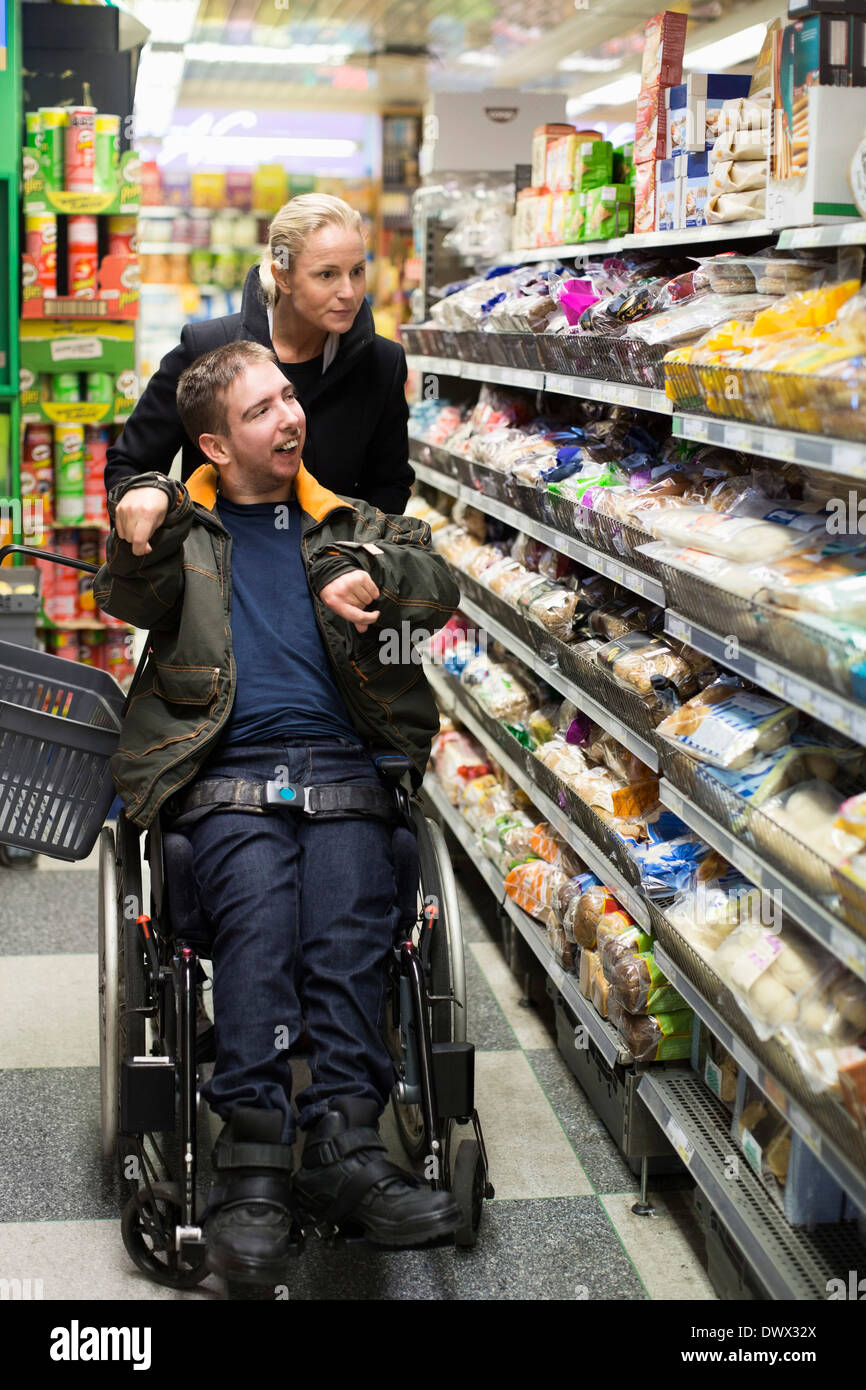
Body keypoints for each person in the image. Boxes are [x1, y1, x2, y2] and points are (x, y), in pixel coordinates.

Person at [94, 340, 461, 1284]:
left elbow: (439, 588)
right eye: (260, 411)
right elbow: (129, 592)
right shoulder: (186, 532)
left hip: (344, 767)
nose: (290, 418)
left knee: (345, 929)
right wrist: (138, 515)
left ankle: (346, 1146)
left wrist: (377, 577)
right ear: (214, 444)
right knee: (260, 921)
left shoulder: (351, 523)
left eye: (289, 399)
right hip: (223, 775)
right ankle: (251, 1162)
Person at [105, 193, 414, 514]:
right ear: (283, 276)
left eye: (357, 272)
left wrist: (353, 552)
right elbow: (129, 465)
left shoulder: (382, 363)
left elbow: (389, 483)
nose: (349, 292)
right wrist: (150, 493)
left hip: (338, 561)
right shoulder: (207, 347)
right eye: (327, 274)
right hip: (216, 561)